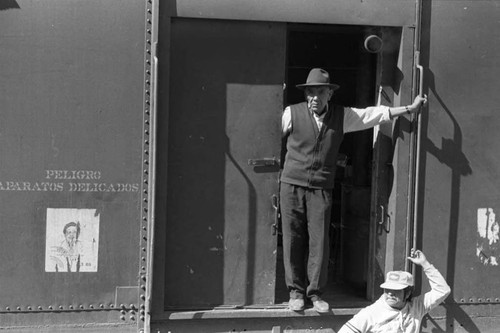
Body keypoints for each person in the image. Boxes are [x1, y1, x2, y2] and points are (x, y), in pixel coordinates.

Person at [280, 68, 427, 312]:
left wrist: (409, 109)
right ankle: (295, 293)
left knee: (320, 241)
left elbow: (374, 114)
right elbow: (272, 137)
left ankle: (315, 294)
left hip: (321, 188)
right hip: (291, 185)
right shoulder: (291, 114)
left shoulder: (342, 116)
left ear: (329, 94)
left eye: (319, 92)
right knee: (293, 238)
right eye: (310, 93)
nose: (314, 97)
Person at [337, 249, 451, 332]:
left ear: (408, 293)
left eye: (396, 290)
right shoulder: (371, 313)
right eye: (387, 289)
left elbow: (443, 290)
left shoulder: (417, 306)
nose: (390, 293)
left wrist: (425, 264)